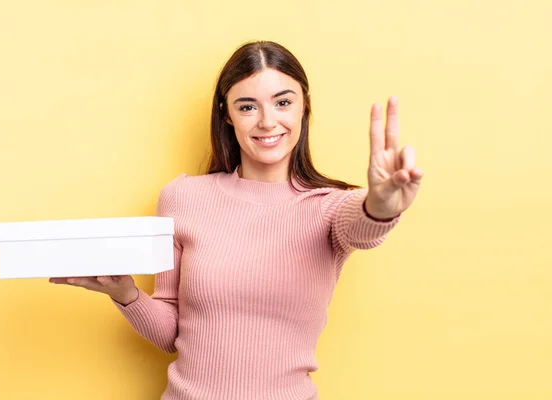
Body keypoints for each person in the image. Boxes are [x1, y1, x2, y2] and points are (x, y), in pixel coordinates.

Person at [50, 40, 423, 400]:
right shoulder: (183, 197)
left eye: (282, 102)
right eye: (247, 107)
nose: (267, 121)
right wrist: (125, 295)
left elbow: (363, 227)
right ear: (227, 114)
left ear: (303, 107)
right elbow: (172, 333)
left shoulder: (328, 207)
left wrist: (382, 203)